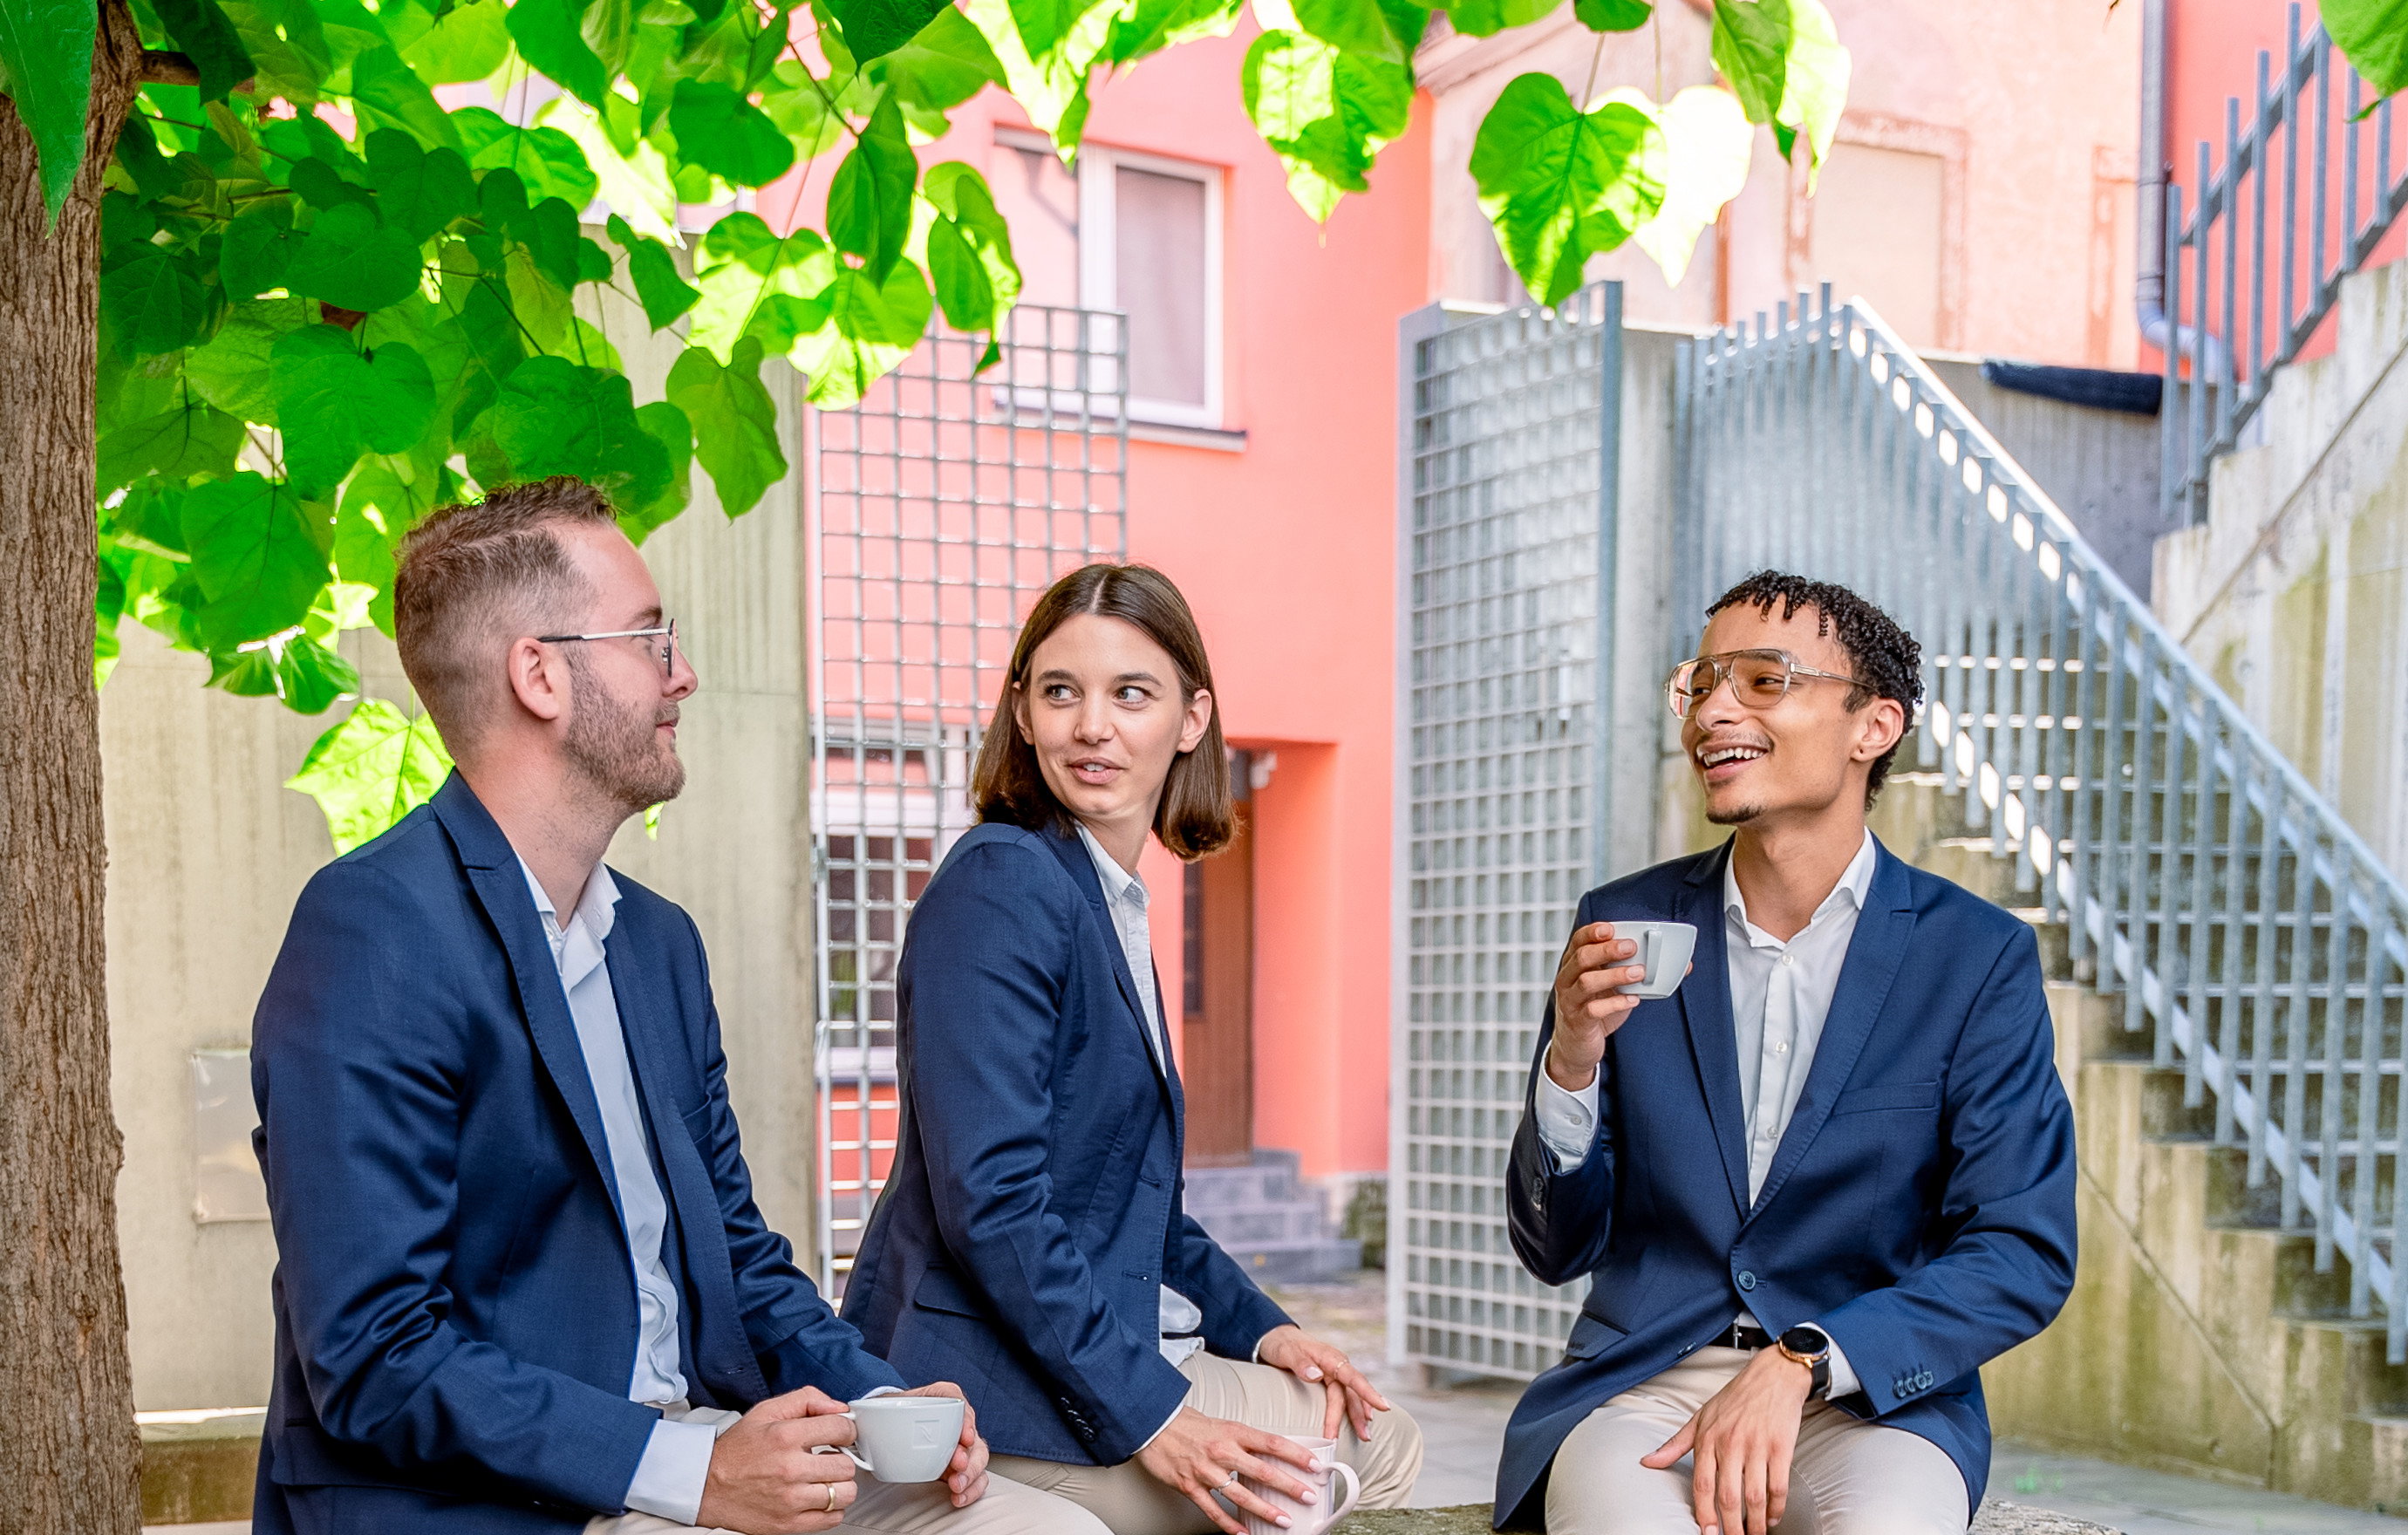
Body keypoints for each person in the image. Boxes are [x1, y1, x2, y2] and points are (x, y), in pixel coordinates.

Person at [249, 477, 1108, 1535]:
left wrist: (879, 1397)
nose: (685, 672)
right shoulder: (372, 930)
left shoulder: (656, 944)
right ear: (541, 674)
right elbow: (375, 1353)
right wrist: (688, 1472)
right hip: (506, 1499)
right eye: (651, 636)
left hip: (704, 1453)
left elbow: (736, 1255)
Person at [842, 563, 1425, 1535]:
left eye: (1131, 693)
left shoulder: (1097, 895)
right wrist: (1157, 1412)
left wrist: (1268, 1326)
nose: (1091, 726)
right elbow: (993, 1202)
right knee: (1380, 1445)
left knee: (1346, 1420)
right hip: (990, 1389)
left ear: (1192, 718)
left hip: (1063, 1360)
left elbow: (1139, 1213)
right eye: (1059, 690)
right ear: (1022, 712)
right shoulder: (1004, 882)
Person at [1497, 571, 2078, 1535]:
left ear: (1872, 726)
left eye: (1764, 679)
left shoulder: (1974, 957)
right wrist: (1571, 1060)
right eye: (1703, 680)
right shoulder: (1625, 924)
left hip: (1867, 1398)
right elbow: (1555, 1248)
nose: (1713, 709)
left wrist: (1807, 1356)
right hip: (1647, 1382)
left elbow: (2020, 1246)